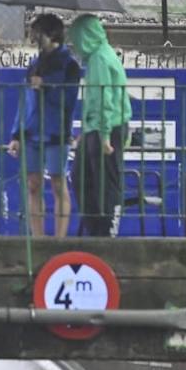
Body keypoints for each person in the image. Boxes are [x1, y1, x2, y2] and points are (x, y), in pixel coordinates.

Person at [7, 13, 82, 238]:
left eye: (37, 33)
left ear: (50, 34)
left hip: (55, 131)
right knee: (33, 183)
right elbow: (25, 100)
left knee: (58, 182)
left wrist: (47, 86)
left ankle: (59, 237)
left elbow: (69, 100)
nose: (33, 38)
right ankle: (38, 236)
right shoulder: (35, 63)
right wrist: (16, 134)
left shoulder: (69, 65)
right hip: (31, 130)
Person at [69, 13, 131, 238]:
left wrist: (104, 135)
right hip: (96, 128)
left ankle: (106, 232)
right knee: (83, 177)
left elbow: (105, 98)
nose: (74, 44)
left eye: (75, 38)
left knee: (105, 182)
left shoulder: (100, 59)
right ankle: (96, 228)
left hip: (107, 128)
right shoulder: (100, 56)